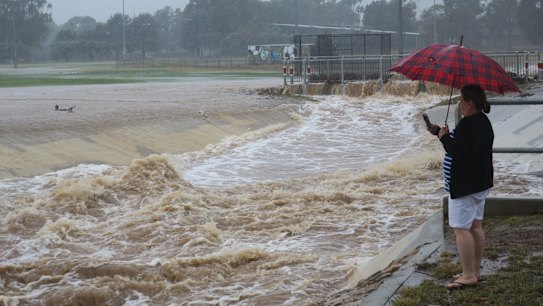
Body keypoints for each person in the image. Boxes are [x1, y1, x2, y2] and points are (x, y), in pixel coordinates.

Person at [428, 84, 494, 290]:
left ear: (470, 103)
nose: (459, 103)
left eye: (461, 100)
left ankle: (468, 275)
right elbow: (464, 146)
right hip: (479, 182)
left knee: (461, 229)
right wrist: (441, 133)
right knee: (475, 226)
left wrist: (444, 137)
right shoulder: (483, 121)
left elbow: (456, 150)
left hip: (465, 184)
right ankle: (475, 271)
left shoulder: (468, 125)